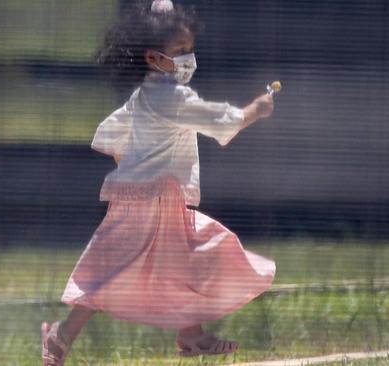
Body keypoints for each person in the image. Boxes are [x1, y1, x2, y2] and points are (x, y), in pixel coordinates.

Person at [42, 0, 276, 364]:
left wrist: (133, 169)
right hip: (148, 202)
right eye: (180, 51)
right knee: (115, 270)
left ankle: (191, 334)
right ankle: (62, 334)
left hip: (159, 198)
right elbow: (220, 120)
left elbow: (108, 135)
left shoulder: (145, 95)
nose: (189, 59)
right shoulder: (172, 97)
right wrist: (255, 111)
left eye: (190, 49)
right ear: (153, 58)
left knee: (195, 254)